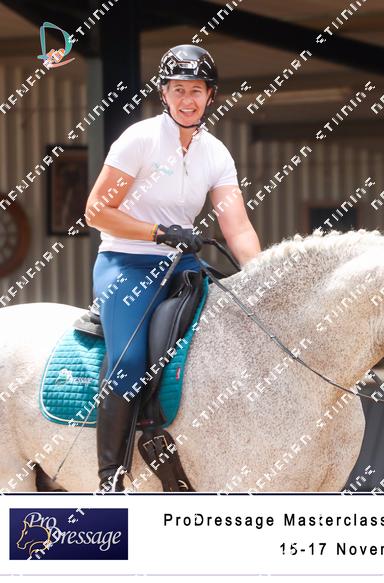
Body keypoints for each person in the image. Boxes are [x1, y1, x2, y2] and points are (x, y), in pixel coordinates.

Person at [84, 44, 261, 492]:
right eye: (178, 90)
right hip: (126, 262)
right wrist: (158, 232)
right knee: (130, 362)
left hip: (181, 264)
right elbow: (96, 211)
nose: (187, 100)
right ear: (163, 93)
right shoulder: (139, 139)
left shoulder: (216, 153)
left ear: (210, 96)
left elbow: (237, 227)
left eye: (196, 90)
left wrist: (262, 277)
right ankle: (110, 477)